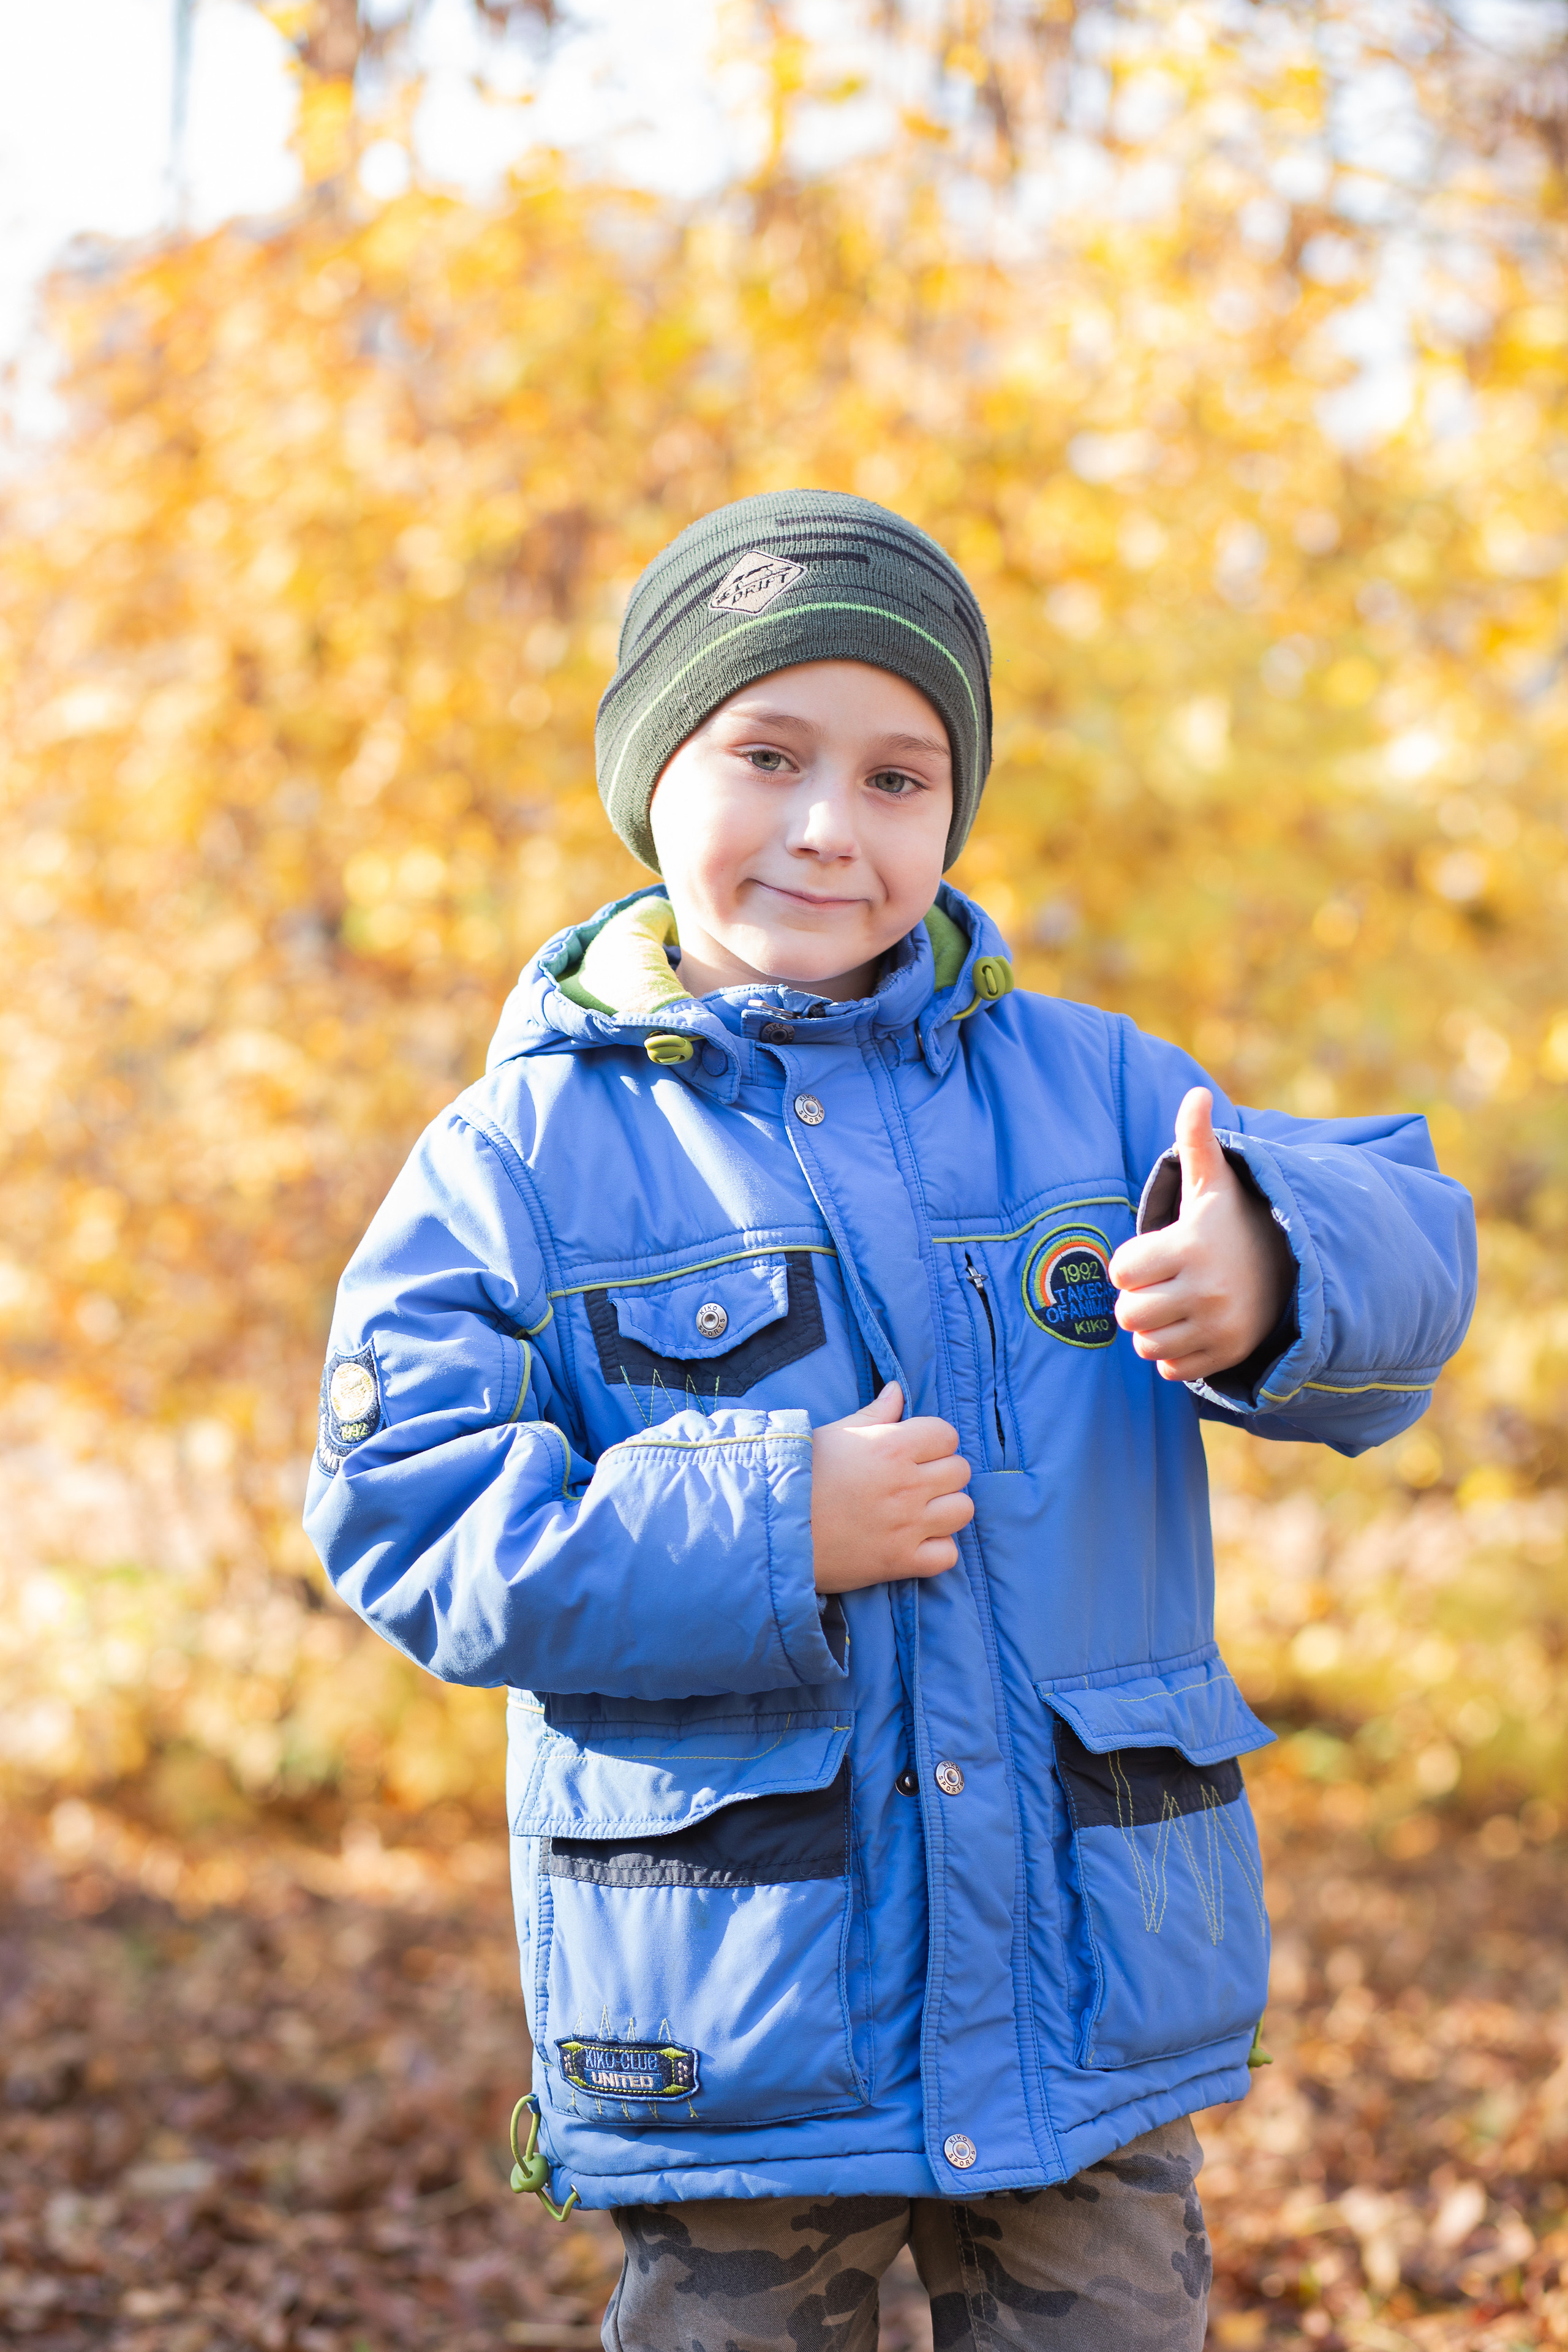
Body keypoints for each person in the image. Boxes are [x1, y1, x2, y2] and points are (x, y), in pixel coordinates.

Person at [304, 489, 1476, 2351]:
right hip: (745, 2008)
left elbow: (1413, 1247)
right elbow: (409, 1515)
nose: (832, 827)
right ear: (654, 771)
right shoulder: (522, 1155)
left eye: (902, 776)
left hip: (1082, 1988)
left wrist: (1274, 1265)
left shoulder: (1096, 1089)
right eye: (768, 755)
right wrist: (778, 1524)